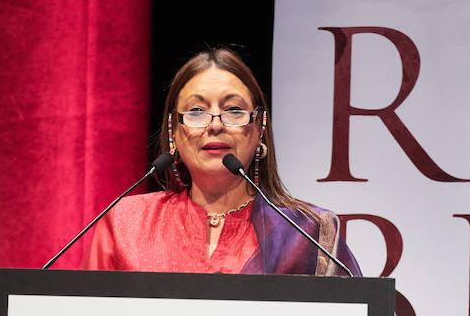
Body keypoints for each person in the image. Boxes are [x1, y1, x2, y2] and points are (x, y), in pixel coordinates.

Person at [81, 47, 360, 277]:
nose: (215, 125)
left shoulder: (306, 232)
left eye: (234, 110)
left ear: (259, 128)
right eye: (196, 111)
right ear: (173, 133)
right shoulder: (125, 223)